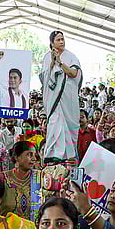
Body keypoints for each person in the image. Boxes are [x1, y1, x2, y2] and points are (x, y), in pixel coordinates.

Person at [39, 30, 82, 163]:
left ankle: (70, 155)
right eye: (58, 40)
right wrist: (53, 62)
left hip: (68, 97)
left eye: (63, 39)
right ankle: (53, 153)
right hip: (53, 98)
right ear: (52, 43)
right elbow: (45, 78)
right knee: (55, 121)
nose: (62, 42)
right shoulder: (47, 57)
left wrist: (60, 63)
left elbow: (74, 73)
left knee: (69, 125)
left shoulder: (70, 56)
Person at [0, 141, 37, 220]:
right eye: (30, 155)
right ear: (17, 157)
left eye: (34, 155)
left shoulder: (39, 178)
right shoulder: (2, 178)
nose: (34, 159)